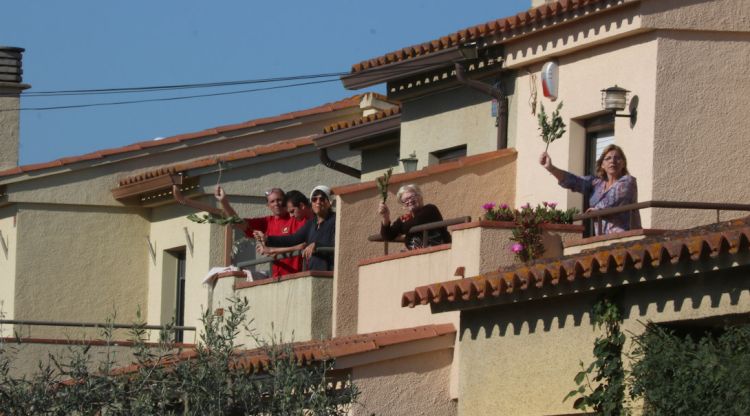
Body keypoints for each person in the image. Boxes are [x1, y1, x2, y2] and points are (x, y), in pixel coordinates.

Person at [539, 144, 642, 235]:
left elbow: (614, 199)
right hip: (603, 240)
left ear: (623, 163)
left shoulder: (628, 181)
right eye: (608, 158)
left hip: (627, 238)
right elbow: (573, 181)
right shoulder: (597, 184)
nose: (613, 161)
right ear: (602, 165)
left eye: (617, 158)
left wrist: (597, 210)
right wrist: (551, 168)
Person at [215, 186, 304, 277]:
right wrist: (224, 202)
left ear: (285, 201)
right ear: (268, 206)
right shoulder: (267, 222)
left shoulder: (296, 218)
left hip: (297, 275)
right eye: (272, 201)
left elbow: (303, 245)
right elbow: (239, 223)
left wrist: (271, 250)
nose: (276, 203)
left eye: (279, 200)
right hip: (277, 277)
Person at [255, 185, 336, 271]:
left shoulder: (337, 220)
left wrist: (317, 245)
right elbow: (293, 239)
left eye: (322, 199)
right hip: (314, 274)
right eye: (314, 199)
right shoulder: (311, 223)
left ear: (329, 202)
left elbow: (342, 247)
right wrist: (267, 238)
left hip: (331, 274)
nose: (318, 202)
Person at [378, 184, 451, 250]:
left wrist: (401, 230)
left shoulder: (430, 209)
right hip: (418, 258)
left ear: (420, 197)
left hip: (441, 252)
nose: (409, 201)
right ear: (403, 205)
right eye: (405, 200)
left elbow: (417, 221)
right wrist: (386, 217)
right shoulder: (404, 219)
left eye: (412, 197)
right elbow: (387, 236)